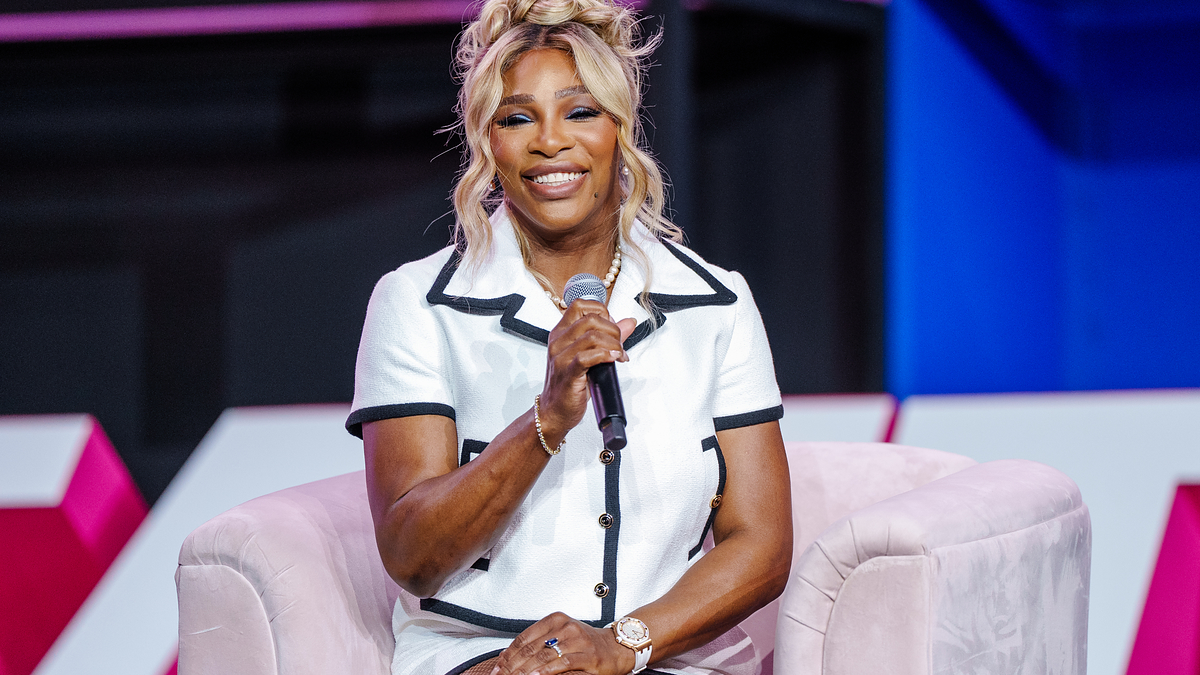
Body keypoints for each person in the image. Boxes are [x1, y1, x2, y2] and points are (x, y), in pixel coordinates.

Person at [347, 1, 792, 673]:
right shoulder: (418, 304)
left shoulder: (716, 303)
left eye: (580, 112)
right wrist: (545, 421)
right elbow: (413, 554)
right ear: (487, 143)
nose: (550, 141)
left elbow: (761, 541)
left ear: (620, 127)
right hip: (490, 656)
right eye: (518, 118)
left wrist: (624, 643)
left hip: (661, 654)